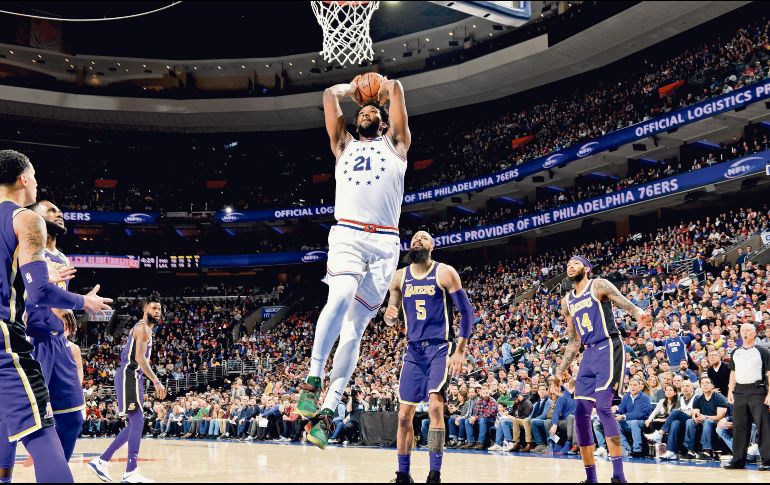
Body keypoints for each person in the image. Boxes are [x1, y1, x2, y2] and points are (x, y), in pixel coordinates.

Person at [299, 75, 411, 450]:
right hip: (347, 233)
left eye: (371, 111)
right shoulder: (342, 144)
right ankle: (314, 376)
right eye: (360, 111)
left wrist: (385, 87)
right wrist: (351, 90)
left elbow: (396, 95)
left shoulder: (396, 144)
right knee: (341, 294)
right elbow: (328, 96)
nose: (365, 112)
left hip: (385, 243)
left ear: (381, 121)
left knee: (355, 329)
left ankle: (329, 411)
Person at [0, 150, 112, 484]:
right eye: (34, 176)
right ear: (24, 179)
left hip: (51, 338)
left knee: (54, 418)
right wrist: (83, 302)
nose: (35, 183)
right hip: (15, 335)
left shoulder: (55, 251)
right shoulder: (24, 220)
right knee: (36, 427)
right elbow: (38, 294)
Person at [554, 256, 652, 484]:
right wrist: (561, 370)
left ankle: (618, 476)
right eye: (567, 264)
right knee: (579, 412)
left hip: (608, 345)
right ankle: (591, 478)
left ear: (586, 269)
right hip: (588, 353)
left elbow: (622, 300)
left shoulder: (598, 285)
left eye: (575, 263)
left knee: (604, 407)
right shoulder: (566, 301)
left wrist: (638, 313)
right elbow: (573, 341)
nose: (570, 266)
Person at [384, 231, 472, 483]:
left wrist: (460, 350)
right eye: (414, 238)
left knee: (435, 406)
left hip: (440, 348)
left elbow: (466, 312)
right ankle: (403, 474)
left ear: (432, 246)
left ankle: (434, 473)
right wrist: (389, 315)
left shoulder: (444, 272)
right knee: (403, 416)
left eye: (423, 238)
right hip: (413, 351)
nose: (417, 240)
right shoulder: (399, 277)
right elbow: (391, 317)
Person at [25, 201, 85, 462]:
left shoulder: (62, 257)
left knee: (72, 418)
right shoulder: (26, 251)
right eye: (51, 210)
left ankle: (57, 474)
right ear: (34, 218)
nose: (58, 213)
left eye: (60, 211)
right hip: (33, 341)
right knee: (27, 421)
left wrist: (66, 301)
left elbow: (58, 298)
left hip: (59, 343)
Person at [89, 293, 167, 483]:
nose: (157, 312)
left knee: (134, 423)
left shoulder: (145, 329)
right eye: (153, 308)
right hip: (129, 375)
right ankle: (130, 471)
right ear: (145, 308)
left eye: (159, 309)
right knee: (138, 421)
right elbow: (139, 358)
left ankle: (102, 460)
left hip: (134, 376)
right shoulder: (143, 328)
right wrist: (156, 381)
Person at [724, 323, 770, 471]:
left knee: (763, 426)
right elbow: (733, 373)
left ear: (754, 333)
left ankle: (767, 460)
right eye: (742, 330)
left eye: (748, 330)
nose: (745, 332)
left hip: (757, 391)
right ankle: (738, 460)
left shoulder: (762, 351)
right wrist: (730, 391)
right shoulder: (736, 352)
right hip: (739, 392)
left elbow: (769, 374)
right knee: (739, 427)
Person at [684, 376, 728, 461]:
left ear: (712, 386)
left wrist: (706, 417)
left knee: (707, 421)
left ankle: (707, 451)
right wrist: (696, 418)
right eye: (702, 384)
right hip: (704, 421)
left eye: (707, 383)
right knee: (690, 421)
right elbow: (695, 413)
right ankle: (691, 451)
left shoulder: (719, 397)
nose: (705, 385)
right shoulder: (698, 399)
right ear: (700, 387)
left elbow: (720, 416)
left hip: (717, 422)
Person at [617, 377, 652, 458]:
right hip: (628, 421)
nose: (632, 387)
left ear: (640, 387)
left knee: (634, 422)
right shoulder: (626, 396)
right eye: (631, 385)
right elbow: (621, 410)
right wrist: (616, 409)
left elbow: (640, 414)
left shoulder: (645, 398)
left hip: (642, 422)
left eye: (635, 385)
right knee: (615, 423)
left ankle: (637, 450)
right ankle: (626, 448)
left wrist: (623, 416)